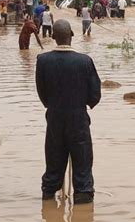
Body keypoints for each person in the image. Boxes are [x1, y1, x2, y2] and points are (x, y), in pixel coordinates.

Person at [35, 20, 101, 204]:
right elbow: (95, 95)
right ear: (72, 35)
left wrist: (53, 105)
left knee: (53, 162)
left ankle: (48, 204)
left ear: (53, 37)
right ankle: (83, 205)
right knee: (82, 164)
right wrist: (82, 103)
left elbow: (42, 93)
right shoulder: (85, 61)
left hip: (54, 118)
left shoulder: (43, 61)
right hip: (78, 119)